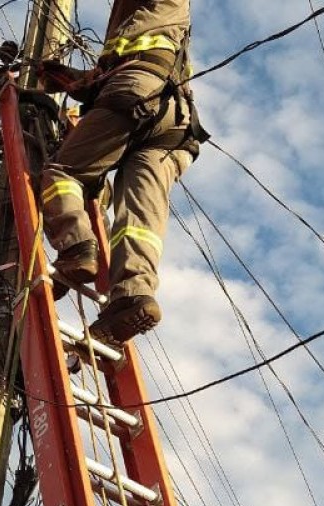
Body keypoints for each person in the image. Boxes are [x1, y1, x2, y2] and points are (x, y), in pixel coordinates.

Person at [38, 0, 206, 347]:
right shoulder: (149, 23)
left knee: (62, 173)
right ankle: (132, 297)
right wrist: (72, 81)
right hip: (175, 125)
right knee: (139, 219)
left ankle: (78, 248)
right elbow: (110, 73)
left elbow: (127, 71)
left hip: (136, 91)